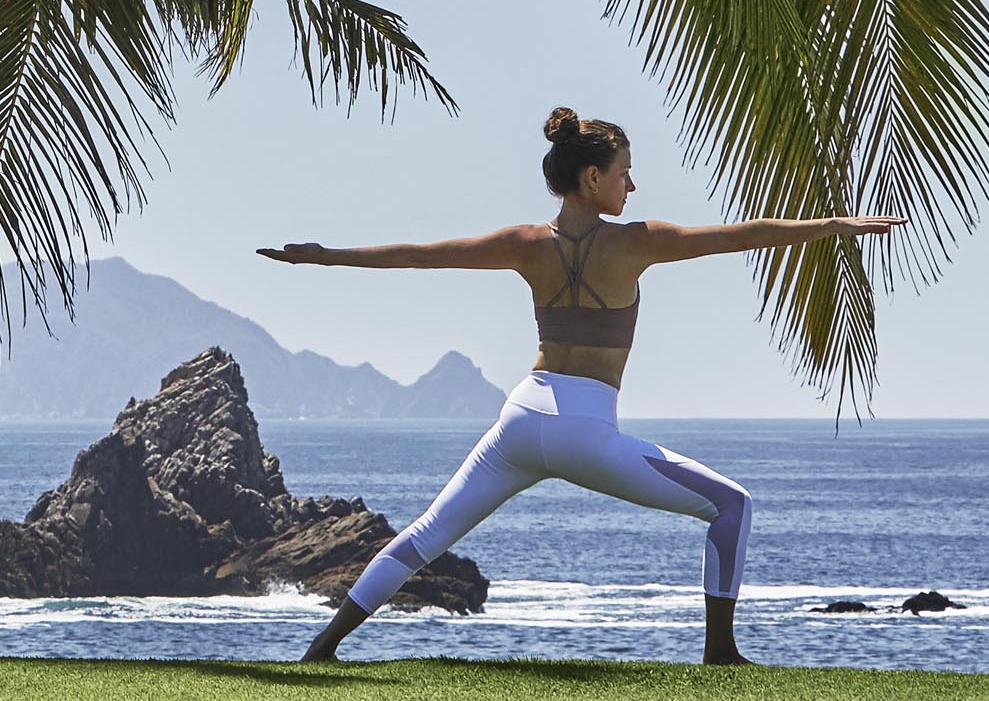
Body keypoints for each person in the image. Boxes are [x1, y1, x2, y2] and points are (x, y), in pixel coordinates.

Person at [260, 108, 902, 666]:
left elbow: (426, 253)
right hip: (584, 429)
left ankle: (324, 647)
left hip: (521, 418)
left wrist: (327, 255)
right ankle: (720, 651)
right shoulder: (637, 243)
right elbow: (744, 234)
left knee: (428, 532)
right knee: (731, 506)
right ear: (592, 178)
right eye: (624, 171)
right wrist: (832, 225)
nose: (631, 183)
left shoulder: (523, 244)